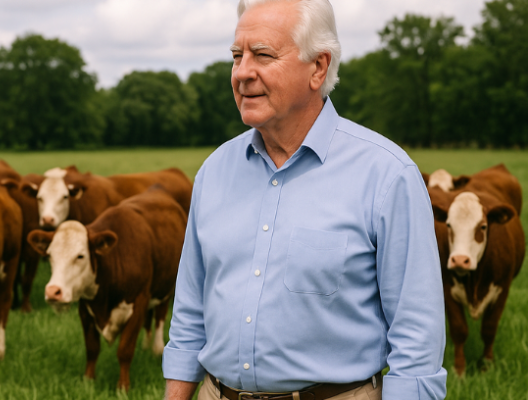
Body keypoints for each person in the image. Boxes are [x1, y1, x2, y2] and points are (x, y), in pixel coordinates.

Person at [162, 0, 447, 399]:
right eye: (237, 56)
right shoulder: (214, 171)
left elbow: (416, 338)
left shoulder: (387, 175)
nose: (242, 72)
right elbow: (190, 314)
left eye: (263, 55)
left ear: (318, 67)